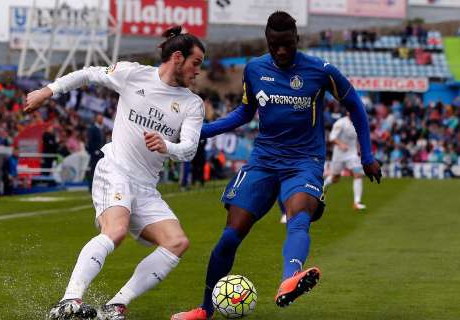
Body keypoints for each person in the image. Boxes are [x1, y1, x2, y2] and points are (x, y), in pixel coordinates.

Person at [172, 11, 382, 320]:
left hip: (304, 162)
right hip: (263, 161)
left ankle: (290, 279)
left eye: (287, 45)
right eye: (274, 46)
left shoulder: (321, 71)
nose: (281, 52)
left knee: (299, 215)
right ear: (267, 42)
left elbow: (356, 108)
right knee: (231, 235)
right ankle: (205, 309)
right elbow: (244, 113)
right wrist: (203, 131)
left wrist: (367, 156)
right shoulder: (255, 69)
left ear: (297, 40)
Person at [25, 25, 205, 320]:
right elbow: (86, 74)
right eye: (196, 63)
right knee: (116, 231)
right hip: (116, 170)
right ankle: (68, 301)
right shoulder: (133, 74)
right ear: (177, 58)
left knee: (177, 242)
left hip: (146, 188)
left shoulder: (192, 104)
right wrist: (48, 91)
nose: (198, 71)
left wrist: (167, 147)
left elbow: (189, 149)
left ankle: (115, 305)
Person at [323, 113, 367, 210]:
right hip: (339, 155)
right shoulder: (340, 123)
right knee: (335, 178)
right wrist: (341, 144)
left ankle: (357, 202)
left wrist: (359, 150)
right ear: (348, 112)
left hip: (352, 154)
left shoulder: (358, 122)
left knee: (358, 174)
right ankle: (322, 189)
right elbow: (332, 137)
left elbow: (357, 138)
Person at [86, 113, 106, 190]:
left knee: (102, 170)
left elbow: (103, 141)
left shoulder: (103, 129)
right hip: (95, 154)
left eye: (102, 118)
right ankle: (91, 187)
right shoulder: (92, 129)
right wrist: (94, 151)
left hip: (102, 153)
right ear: (96, 119)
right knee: (93, 170)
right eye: (99, 118)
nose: (101, 119)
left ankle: (99, 187)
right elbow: (90, 141)